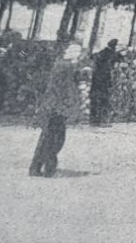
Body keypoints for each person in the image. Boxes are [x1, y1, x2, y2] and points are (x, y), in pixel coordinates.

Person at [29, 43, 85, 177]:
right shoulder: (67, 67)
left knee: (48, 137)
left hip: (53, 105)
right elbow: (65, 88)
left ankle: (37, 167)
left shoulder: (62, 65)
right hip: (57, 107)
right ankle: (48, 167)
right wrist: (67, 105)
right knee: (55, 138)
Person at [89, 38, 123, 126]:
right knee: (103, 100)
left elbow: (93, 57)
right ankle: (101, 121)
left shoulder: (101, 53)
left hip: (96, 79)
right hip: (104, 80)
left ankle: (93, 120)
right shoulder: (110, 54)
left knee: (95, 100)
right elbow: (120, 58)